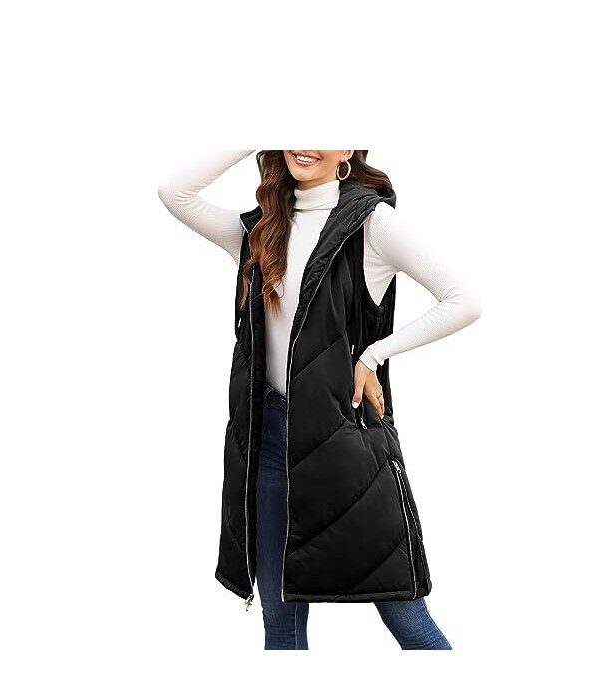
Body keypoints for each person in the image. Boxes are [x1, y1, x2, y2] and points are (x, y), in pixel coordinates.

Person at [158, 150, 481, 649]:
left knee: (405, 615)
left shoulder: (372, 224)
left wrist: (374, 355)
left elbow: (463, 300)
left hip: (344, 445)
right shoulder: (259, 229)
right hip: (268, 440)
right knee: (280, 624)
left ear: (349, 149)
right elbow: (174, 193)